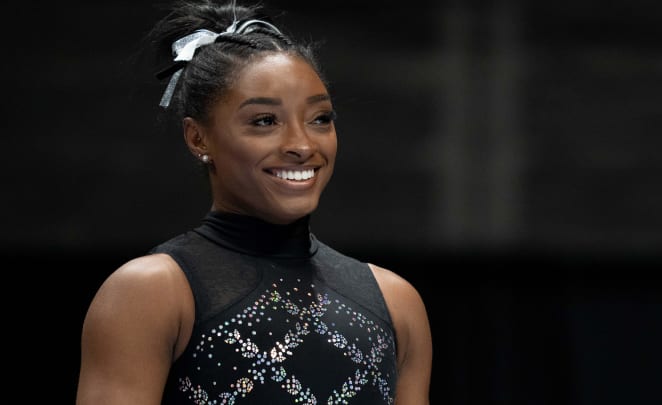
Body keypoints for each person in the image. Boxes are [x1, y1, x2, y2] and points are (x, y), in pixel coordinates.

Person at [75, 1, 433, 404]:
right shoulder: (150, 292)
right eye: (264, 121)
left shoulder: (395, 302)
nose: (301, 145)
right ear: (198, 139)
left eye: (320, 118)